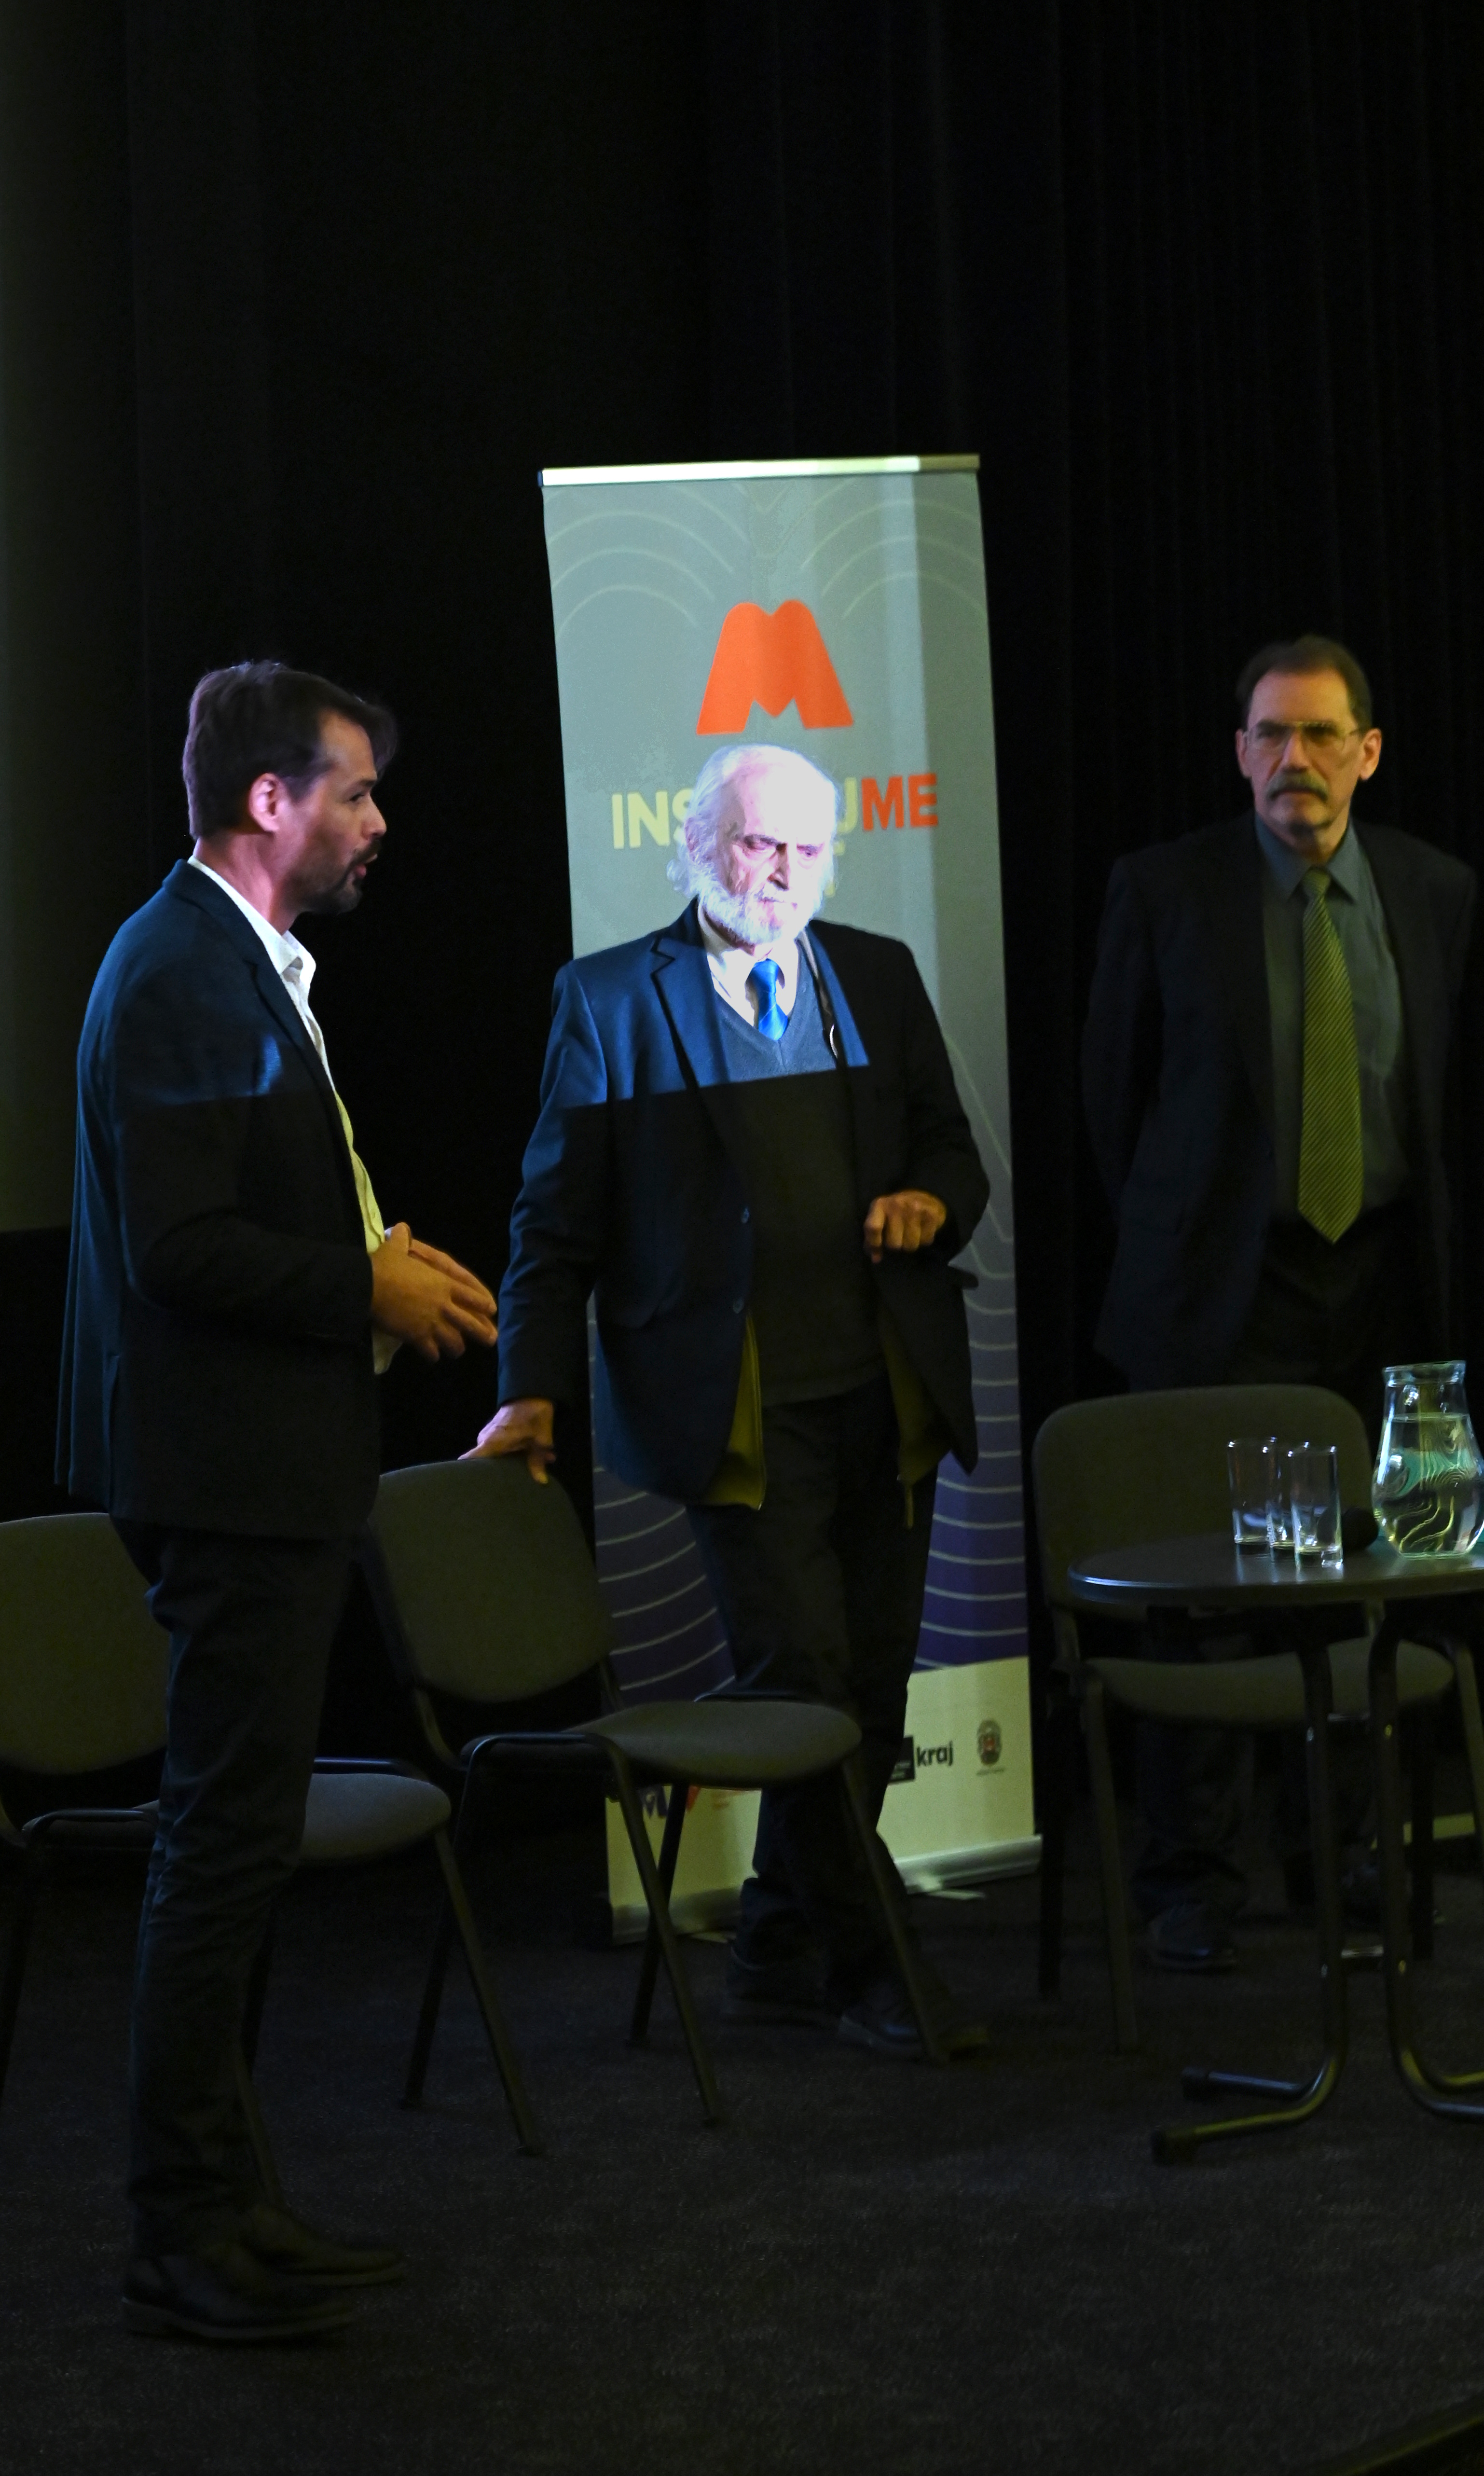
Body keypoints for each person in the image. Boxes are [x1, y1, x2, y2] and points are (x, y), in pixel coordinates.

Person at [59, 662, 498, 2342]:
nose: (379, 822)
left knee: (237, 1852)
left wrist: (366, 1259)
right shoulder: (182, 966)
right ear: (270, 801)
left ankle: (231, 2203)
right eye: (355, 792)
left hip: (262, 1472)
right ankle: (182, 2233)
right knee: (222, 1850)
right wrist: (361, 1287)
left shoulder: (234, 959)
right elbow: (180, 1247)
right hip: (227, 1480)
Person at [469, 741, 990, 2055]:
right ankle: (879, 1968)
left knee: (873, 1690)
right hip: (734, 1410)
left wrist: (930, 1201)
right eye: (757, 845)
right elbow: (553, 1224)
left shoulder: (875, 973)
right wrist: (529, 1386)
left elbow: (952, 1150)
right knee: (802, 1679)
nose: (781, 873)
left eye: (807, 850)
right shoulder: (609, 1000)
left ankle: (774, 1940)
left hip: (886, 1392)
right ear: (697, 847)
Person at [1082, 636, 1476, 1968]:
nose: (1291, 760)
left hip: (1378, 1291)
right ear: (1239, 753)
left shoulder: (1434, 891)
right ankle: (1191, 1879)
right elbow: (1113, 1101)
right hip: (1216, 1294)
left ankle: (1345, 1857)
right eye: (1268, 735)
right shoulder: (1164, 891)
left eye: (1317, 736)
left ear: (1367, 752)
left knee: (1365, 1588)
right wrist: (1187, 1238)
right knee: (1208, 1596)